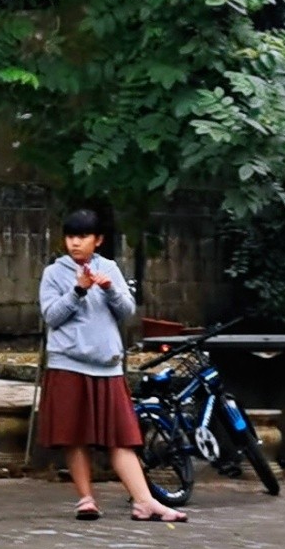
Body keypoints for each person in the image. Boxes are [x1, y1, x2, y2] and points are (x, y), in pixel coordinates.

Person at [38, 206, 180, 523]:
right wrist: (78, 290)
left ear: (98, 240)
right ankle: (86, 499)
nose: (75, 243)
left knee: (122, 437)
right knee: (74, 436)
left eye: (83, 236)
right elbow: (52, 317)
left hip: (107, 365)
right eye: (71, 236)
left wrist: (107, 288)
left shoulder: (110, 268)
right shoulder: (54, 273)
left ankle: (144, 502)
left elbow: (126, 310)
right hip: (68, 364)